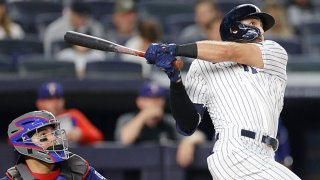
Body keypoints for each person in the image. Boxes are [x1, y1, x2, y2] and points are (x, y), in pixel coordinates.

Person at [144, 3, 301, 179]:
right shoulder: (202, 65)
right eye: (254, 23)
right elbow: (187, 125)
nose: (261, 31)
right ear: (234, 29)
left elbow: (229, 50)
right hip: (234, 151)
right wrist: (175, 80)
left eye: (262, 27)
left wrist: (175, 49)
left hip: (266, 154)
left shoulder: (274, 52)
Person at [114, 81, 205, 167]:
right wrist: (143, 115)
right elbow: (125, 140)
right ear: (139, 102)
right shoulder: (127, 119)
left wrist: (188, 141)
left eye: (158, 98)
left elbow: (198, 135)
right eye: (149, 98)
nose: (155, 103)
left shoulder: (169, 121)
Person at [1, 110, 107, 179]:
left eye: (53, 132)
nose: (53, 138)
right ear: (23, 142)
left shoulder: (79, 170)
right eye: (43, 134)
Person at [36, 81, 104, 145]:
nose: (55, 102)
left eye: (58, 98)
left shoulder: (73, 115)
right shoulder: (33, 120)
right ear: (39, 103)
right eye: (50, 99)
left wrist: (81, 134)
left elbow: (97, 136)